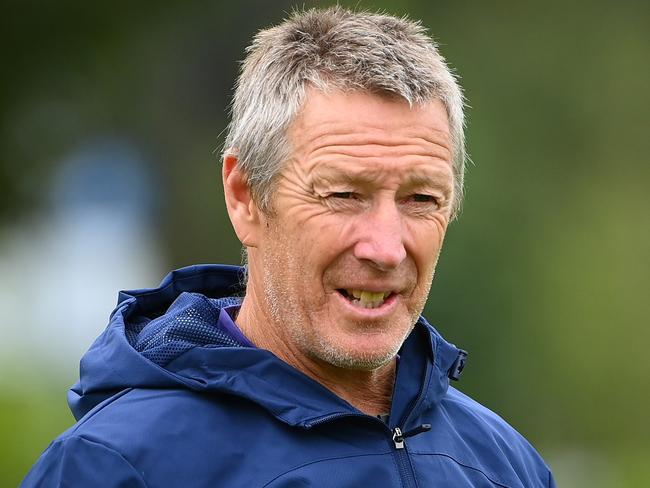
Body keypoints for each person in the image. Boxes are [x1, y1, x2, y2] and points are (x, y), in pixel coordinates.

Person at [23, 7, 556, 487]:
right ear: (244, 197)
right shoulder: (115, 468)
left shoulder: (507, 466)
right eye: (344, 194)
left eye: (421, 198)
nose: (387, 248)